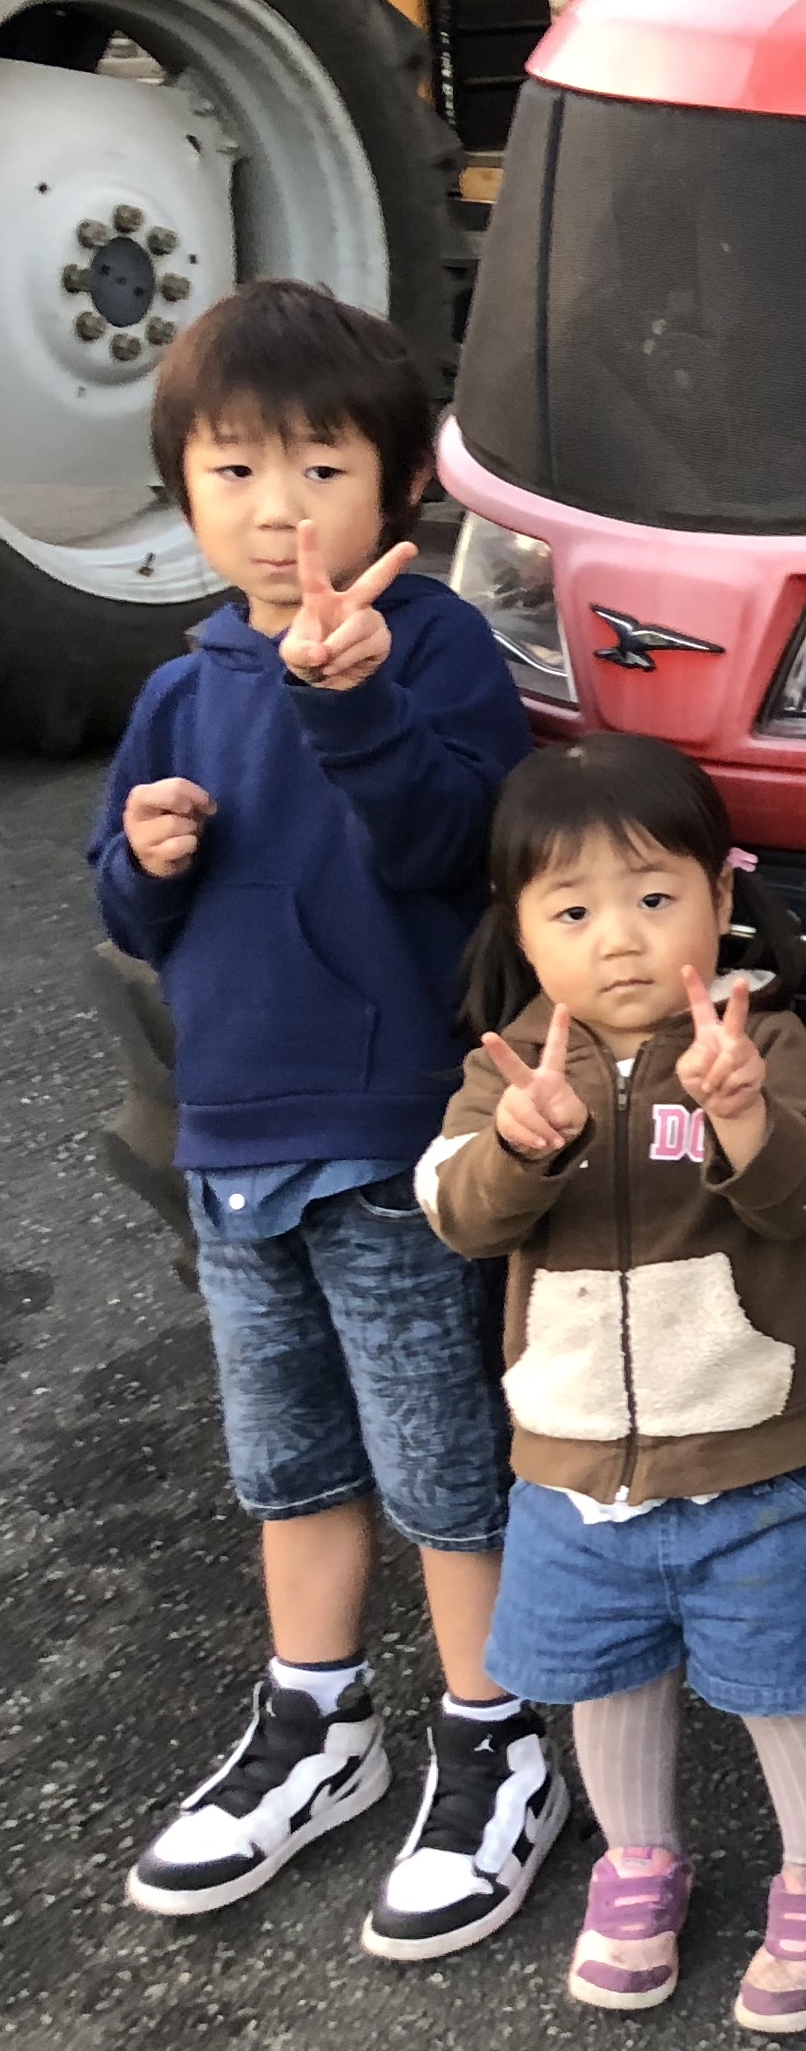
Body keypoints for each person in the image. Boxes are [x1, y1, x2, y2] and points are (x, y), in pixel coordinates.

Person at [87, 278, 562, 1957]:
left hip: (388, 1139)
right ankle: (317, 1714)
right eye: (234, 471)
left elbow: (460, 847)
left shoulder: (430, 643)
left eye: (319, 468)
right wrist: (142, 857)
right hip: (230, 1143)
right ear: (182, 489)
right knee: (286, 1459)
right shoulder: (183, 683)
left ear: (402, 484)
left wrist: (352, 702)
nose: (277, 510)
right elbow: (127, 910)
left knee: (443, 1460)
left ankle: (498, 1733)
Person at [422, 733, 806, 2032]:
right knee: (607, 1674)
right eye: (572, 909)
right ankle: (638, 1863)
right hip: (571, 1463)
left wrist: (743, 1114)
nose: (618, 937)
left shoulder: (758, 1037)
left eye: (655, 894)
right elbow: (455, 1213)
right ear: (519, 925)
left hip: (753, 1450)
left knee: (789, 1681)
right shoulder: (510, 1066)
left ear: (719, 898)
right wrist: (517, 1149)